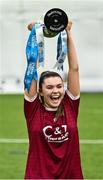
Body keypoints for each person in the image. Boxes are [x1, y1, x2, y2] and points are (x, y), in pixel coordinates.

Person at [24, 21, 84, 179]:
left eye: (59, 86)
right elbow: (32, 68)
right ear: (40, 92)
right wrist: (35, 34)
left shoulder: (70, 106)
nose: (56, 91)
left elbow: (74, 69)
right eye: (49, 87)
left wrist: (68, 33)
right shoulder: (33, 109)